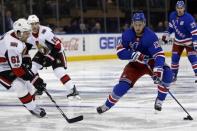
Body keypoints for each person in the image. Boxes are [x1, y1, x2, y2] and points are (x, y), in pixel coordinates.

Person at [97, 11, 173, 114]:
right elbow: (120, 53)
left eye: (140, 25)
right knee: (122, 86)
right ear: (132, 23)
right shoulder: (127, 35)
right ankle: (107, 105)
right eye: (136, 24)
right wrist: (132, 55)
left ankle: (160, 100)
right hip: (135, 65)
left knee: (167, 74)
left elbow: (159, 55)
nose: (137, 27)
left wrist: (158, 70)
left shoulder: (150, 36)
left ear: (144, 23)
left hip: (151, 62)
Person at [0, 18, 46, 117]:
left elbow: (24, 50)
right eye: (26, 33)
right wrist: (35, 79)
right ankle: (33, 109)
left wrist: (27, 60)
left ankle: (31, 104)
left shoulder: (16, 34)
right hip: (1, 67)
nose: (28, 35)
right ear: (18, 32)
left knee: (29, 86)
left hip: (7, 61)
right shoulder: (12, 45)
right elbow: (17, 70)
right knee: (19, 85)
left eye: (28, 32)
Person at [26, 15, 80, 98]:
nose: (34, 26)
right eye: (32, 24)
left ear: (39, 23)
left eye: (36, 23)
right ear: (28, 25)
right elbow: (27, 46)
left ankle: (73, 90)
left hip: (56, 52)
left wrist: (49, 58)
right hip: (43, 51)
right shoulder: (28, 34)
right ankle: (39, 87)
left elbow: (58, 46)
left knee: (59, 71)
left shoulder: (45, 31)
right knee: (32, 68)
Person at [162, 1, 197, 82]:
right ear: (176, 8)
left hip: (189, 42)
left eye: (181, 8)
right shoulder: (172, 15)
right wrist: (166, 34)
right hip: (178, 42)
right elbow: (170, 28)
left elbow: (194, 32)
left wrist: (195, 43)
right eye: (178, 8)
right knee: (174, 58)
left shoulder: (189, 18)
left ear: (184, 8)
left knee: (193, 59)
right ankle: (173, 75)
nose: (179, 10)